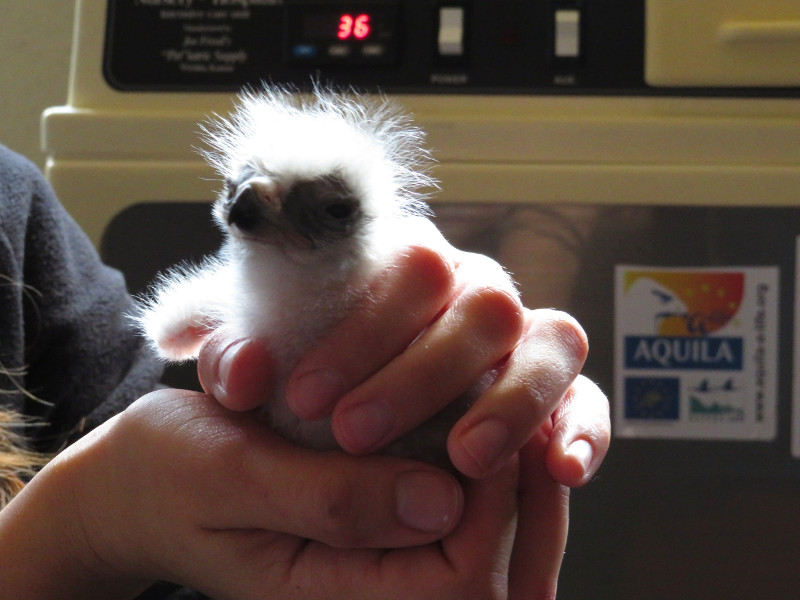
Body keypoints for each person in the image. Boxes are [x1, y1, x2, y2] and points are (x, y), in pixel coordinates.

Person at [0, 143, 610, 599]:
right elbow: (171, 333)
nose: (263, 211)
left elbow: (193, 557)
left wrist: (474, 352)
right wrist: (77, 533)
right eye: (251, 193)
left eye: (332, 210)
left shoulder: (12, 210)